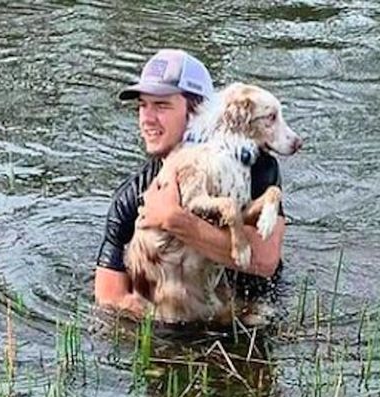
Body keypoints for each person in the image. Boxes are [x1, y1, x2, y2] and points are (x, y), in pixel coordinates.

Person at [94, 49, 286, 319]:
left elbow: (265, 260)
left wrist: (175, 220)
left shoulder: (257, 168)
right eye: (142, 105)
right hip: (178, 321)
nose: (146, 118)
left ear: (196, 110)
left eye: (161, 105)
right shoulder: (132, 196)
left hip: (251, 311)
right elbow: (109, 300)